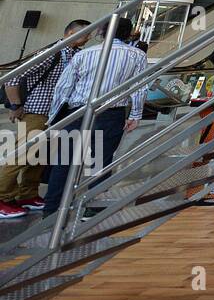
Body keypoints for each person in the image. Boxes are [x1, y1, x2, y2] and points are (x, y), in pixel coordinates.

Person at [43, 17, 149, 217]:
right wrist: (135, 114)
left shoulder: (85, 54)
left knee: (64, 161)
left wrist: (55, 116)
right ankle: (92, 210)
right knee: (100, 163)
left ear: (101, 32)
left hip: (77, 112)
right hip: (110, 114)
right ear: (128, 34)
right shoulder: (136, 55)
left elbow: (64, 87)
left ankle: (51, 211)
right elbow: (139, 86)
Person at [0, 19, 90, 218]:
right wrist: (16, 105)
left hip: (54, 114)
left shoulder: (74, 55)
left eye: (89, 35)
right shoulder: (51, 54)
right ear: (69, 33)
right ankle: (3, 197)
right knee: (20, 155)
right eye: (84, 35)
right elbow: (12, 79)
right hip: (35, 113)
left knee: (39, 157)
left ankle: (27, 194)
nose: (88, 39)